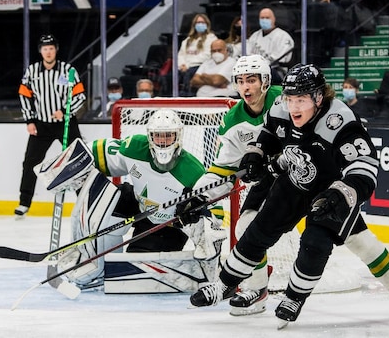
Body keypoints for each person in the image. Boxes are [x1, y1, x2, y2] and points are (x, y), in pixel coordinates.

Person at [188, 64, 389, 327]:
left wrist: (341, 194)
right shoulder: (280, 107)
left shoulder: (340, 121)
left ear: (318, 97)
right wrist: (257, 153)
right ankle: (225, 284)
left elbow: (365, 168)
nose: (294, 107)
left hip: (333, 192)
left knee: (328, 242)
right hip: (296, 180)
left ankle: (297, 297)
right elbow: (269, 134)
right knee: (259, 229)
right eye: (291, 99)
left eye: (301, 100)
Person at [40, 109, 227, 288]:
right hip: (137, 205)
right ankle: (93, 260)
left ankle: (115, 263)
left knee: (134, 266)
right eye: (157, 136)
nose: (162, 141)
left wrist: (195, 215)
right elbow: (98, 152)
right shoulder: (135, 147)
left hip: (167, 226)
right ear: (149, 136)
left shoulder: (193, 171)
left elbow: (215, 213)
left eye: (168, 135)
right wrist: (67, 165)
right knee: (110, 196)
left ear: (178, 137)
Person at [183, 54, 283, 316]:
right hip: (272, 182)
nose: (246, 87)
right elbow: (223, 168)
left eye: (252, 80)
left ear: (265, 82)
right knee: (245, 226)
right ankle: (259, 291)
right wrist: (198, 195)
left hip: (305, 175)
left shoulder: (286, 100)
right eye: (240, 81)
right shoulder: (233, 120)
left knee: (348, 235)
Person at [14, 34, 85, 219]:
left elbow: (80, 96)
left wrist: (65, 111)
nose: (48, 52)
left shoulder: (68, 70)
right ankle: (24, 202)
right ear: (40, 51)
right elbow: (24, 95)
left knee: (78, 161)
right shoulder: (32, 71)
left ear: (56, 50)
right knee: (30, 162)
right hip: (41, 125)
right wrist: (29, 120)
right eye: (45, 48)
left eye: (51, 48)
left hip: (66, 124)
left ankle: (85, 200)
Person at [247, 8, 295, 84]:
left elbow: (280, 60)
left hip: (276, 72)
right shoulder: (255, 36)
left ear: (274, 19)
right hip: (254, 70)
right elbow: (247, 54)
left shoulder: (283, 36)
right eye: (262, 18)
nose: (264, 20)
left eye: (267, 18)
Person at [178, 14, 218, 96]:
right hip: (184, 67)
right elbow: (181, 55)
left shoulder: (211, 38)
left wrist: (188, 65)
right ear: (194, 25)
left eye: (202, 22)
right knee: (170, 76)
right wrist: (182, 65)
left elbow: (206, 56)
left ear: (207, 24)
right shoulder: (188, 40)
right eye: (198, 22)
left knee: (189, 73)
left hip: (200, 66)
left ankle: (188, 95)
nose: (200, 24)